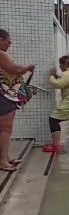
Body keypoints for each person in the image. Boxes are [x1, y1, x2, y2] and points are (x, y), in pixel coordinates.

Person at [0, 29, 35, 171]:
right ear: (1, 39)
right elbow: (15, 69)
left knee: (5, 129)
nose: (10, 44)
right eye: (8, 41)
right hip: (3, 95)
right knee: (5, 128)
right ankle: (3, 161)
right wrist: (27, 67)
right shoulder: (1, 54)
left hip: (5, 94)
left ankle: (5, 157)